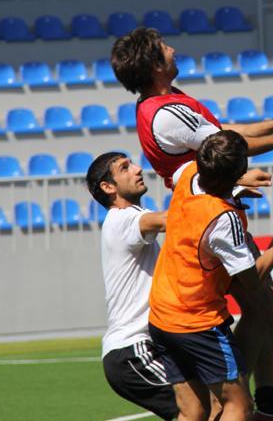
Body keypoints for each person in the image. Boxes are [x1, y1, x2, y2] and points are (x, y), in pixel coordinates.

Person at [112, 27, 273, 419]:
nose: (173, 49)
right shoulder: (164, 114)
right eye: (164, 47)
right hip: (205, 213)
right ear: (155, 64)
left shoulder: (167, 102)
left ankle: (253, 399)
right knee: (261, 303)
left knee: (268, 306)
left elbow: (222, 136)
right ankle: (236, 400)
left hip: (207, 202)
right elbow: (225, 146)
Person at [148, 130, 273, 421]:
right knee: (238, 406)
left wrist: (235, 187)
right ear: (238, 171)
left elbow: (205, 194)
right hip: (196, 320)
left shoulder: (188, 173)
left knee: (194, 411)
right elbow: (252, 280)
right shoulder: (223, 219)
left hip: (161, 314)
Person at [86, 152, 178, 420]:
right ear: (108, 187)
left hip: (145, 347)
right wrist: (224, 186)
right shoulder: (121, 219)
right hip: (133, 350)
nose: (138, 169)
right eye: (125, 168)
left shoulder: (128, 217)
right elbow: (171, 220)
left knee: (210, 405)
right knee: (199, 407)